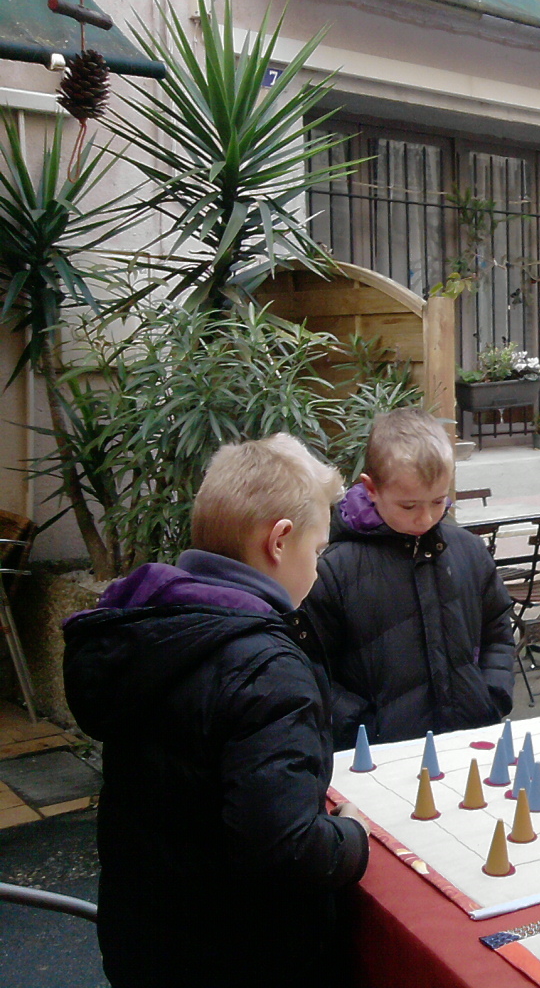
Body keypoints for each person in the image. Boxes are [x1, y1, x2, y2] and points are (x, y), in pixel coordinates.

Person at [62, 434, 370, 988]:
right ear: (279, 541)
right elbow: (287, 851)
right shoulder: (267, 669)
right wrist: (352, 839)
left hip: (148, 939)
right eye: (318, 551)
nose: (320, 571)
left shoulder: (154, 626)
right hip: (240, 955)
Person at [303, 407, 515, 748]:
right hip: (378, 757)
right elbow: (311, 667)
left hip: (470, 741)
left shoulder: (470, 552)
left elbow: (498, 632)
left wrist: (492, 695)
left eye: (437, 501)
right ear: (371, 489)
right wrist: (361, 727)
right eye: (409, 506)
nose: (426, 517)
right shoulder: (333, 569)